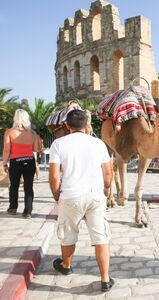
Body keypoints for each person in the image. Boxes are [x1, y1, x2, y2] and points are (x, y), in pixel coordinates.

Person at [49, 109, 114, 292]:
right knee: (100, 237)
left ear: (67, 126)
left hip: (70, 196)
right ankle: (105, 279)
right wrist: (106, 188)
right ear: (87, 124)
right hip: (95, 195)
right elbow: (107, 173)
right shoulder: (98, 143)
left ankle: (66, 265)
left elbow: (54, 177)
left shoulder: (58, 144)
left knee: (68, 235)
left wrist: (57, 196)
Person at [2, 109, 42, 218]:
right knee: (28, 186)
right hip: (29, 161)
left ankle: (13, 208)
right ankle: (28, 211)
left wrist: (4, 163)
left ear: (15, 118)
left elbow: (6, 150)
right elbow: (36, 149)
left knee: (14, 186)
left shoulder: (9, 132)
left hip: (16, 162)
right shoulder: (32, 133)